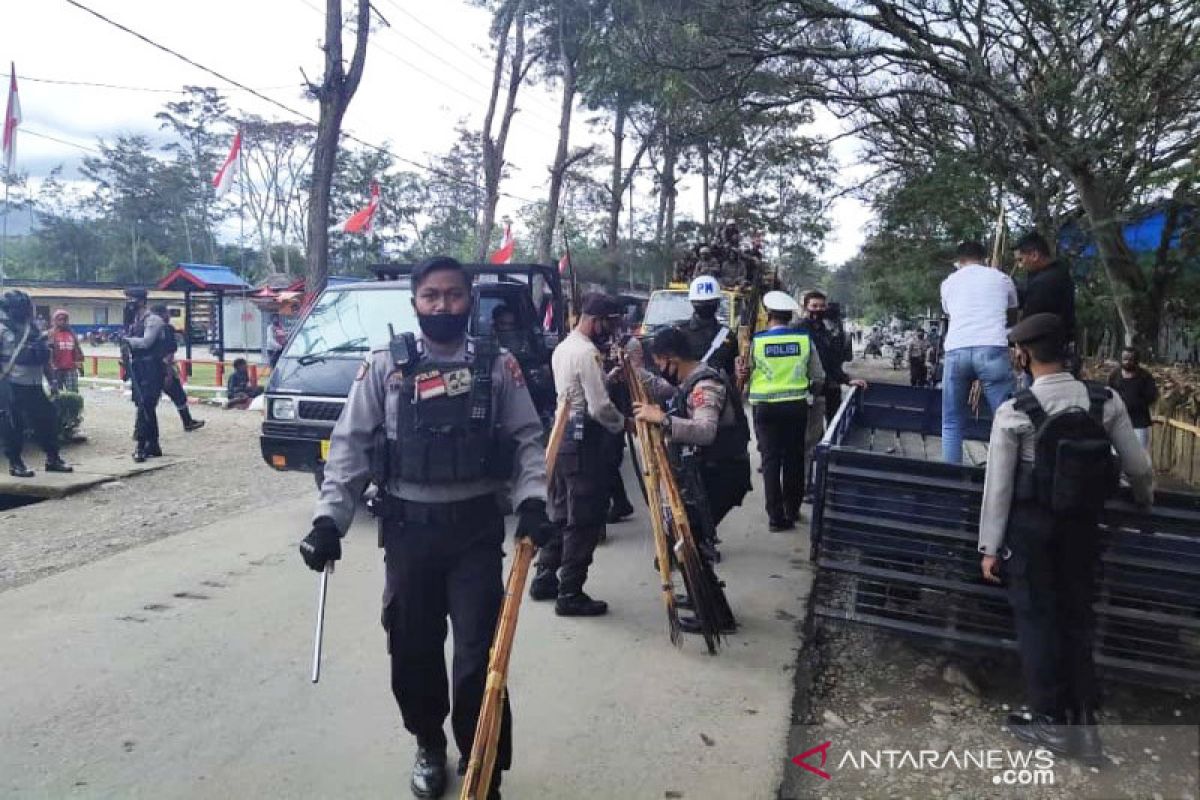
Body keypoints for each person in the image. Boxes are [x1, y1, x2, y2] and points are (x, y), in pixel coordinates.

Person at [300, 256, 552, 800]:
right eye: (432, 295)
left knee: (479, 659)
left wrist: (534, 501)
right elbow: (351, 447)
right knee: (412, 652)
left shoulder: (497, 366)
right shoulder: (384, 366)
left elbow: (530, 440)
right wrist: (328, 520)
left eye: (454, 295)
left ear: (470, 299)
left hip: (475, 534)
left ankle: (483, 761)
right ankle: (429, 744)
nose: (443, 305)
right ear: (415, 301)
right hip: (409, 533)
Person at [979, 313, 1153, 764]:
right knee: (1078, 622)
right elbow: (1138, 468)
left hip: (1032, 531)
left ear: (1022, 355)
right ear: (1069, 351)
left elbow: (998, 487)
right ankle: (1085, 728)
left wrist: (989, 547)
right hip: (1083, 529)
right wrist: (1144, 500)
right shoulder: (1106, 399)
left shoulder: (1015, 410)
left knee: (1038, 623)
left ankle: (1049, 724)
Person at [530, 292, 626, 616]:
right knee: (584, 519)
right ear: (595, 320)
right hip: (585, 440)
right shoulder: (587, 353)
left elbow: (577, 390)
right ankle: (570, 591)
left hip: (561, 438)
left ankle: (545, 576)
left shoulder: (563, 348)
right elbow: (599, 407)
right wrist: (622, 424)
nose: (609, 331)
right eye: (608, 324)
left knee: (559, 512)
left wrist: (608, 379)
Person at [634, 326, 752, 569]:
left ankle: (706, 601)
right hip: (710, 471)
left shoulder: (705, 386)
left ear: (673, 359)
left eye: (660, 364)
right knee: (681, 546)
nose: (660, 371)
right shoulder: (692, 378)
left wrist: (664, 420)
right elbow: (671, 393)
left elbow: (705, 431)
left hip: (723, 475)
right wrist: (636, 373)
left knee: (685, 546)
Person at [736, 291, 824, 531]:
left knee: (771, 461)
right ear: (789, 316)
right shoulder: (805, 340)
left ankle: (775, 518)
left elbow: (746, 373)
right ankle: (792, 510)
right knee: (794, 459)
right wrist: (809, 396)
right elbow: (818, 377)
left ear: (769, 315)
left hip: (764, 409)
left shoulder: (758, 341)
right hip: (796, 407)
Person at [939, 240, 1019, 463]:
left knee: (952, 421)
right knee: (1005, 421)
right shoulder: (1002, 279)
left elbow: (949, 311)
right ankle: (1005, 478)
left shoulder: (948, 283)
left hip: (957, 349)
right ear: (984, 258)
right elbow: (1012, 315)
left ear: (959, 260)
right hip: (993, 348)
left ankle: (950, 478)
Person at [0, 291, 73, 477]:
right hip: (11, 384)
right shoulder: (2, 329)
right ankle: (16, 464)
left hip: (34, 384)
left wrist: (52, 380)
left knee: (47, 420)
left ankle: (53, 458)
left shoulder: (32, 328)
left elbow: (44, 357)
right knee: (13, 424)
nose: (26, 311)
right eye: (22, 307)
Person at [802, 290, 867, 424]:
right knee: (811, 433)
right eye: (814, 306)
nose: (819, 309)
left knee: (834, 425)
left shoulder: (824, 331)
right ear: (806, 307)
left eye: (822, 306)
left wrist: (847, 380)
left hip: (828, 385)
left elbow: (830, 361)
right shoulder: (798, 329)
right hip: (807, 389)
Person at [122, 289, 171, 463]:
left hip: (153, 368)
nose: (129, 304)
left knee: (145, 404)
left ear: (142, 301)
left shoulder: (153, 320)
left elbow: (146, 342)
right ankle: (154, 443)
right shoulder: (134, 321)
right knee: (144, 406)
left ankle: (141, 445)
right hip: (139, 367)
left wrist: (127, 341)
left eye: (132, 300)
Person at [151, 304, 205, 432]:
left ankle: (142, 428)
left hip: (149, 369)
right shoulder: (167, 329)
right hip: (164, 368)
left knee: (150, 400)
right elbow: (169, 352)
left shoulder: (146, 329)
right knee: (179, 396)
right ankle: (187, 422)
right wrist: (169, 373)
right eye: (167, 313)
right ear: (163, 314)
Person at [1015, 231, 1076, 340]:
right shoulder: (1057, 272)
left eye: (1021, 260)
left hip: (1045, 343)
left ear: (1034, 255)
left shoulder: (1045, 282)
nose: (1020, 265)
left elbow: (1030, 319)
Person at [677, 275, 738, 379]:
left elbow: (733, 374)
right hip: (688, 393)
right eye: (702, 303)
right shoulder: (679, 334)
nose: (706, 306)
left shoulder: (727, 336)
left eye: (709, 302)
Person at [1108, 347, 1158, 452]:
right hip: (1118, 423)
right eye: (1125, 359)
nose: (1127, 362)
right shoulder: (1114, 376)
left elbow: (1152, 396)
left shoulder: (1145, 376)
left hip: (1139, 423)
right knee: (1117, 456)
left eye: (1131, 359)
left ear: (1136, 360)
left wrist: (1135, 403)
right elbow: (1108, 395)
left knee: (1139, 455)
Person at [48, 310, 84, 393]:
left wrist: (80, 366)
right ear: (55, 321)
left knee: (73, 392)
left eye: (64, 319)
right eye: (59, 319)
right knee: (57, 394)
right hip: (56, 369)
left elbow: (77, 350)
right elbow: (48, 351)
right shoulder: (51, 334)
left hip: (71, 369)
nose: (62, 322)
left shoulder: (72, 334)